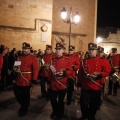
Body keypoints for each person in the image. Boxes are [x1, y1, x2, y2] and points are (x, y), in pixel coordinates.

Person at [77, 43, 111, 120]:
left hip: (96, 86)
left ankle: (91, 116)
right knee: (83, 103)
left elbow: (107, 71)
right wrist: (79, 84)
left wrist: (99, 75)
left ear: (96, 51)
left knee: (94, 104)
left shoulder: (103, 61)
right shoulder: (84, 61)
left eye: (93, 50)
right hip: (85, 85)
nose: (91, 51)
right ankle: (84, 116)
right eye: (90, 50)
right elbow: (80, 73)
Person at [14, 42, 39, 117]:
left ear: (29, 49)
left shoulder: (33, 58)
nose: (24, 50)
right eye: (23, 48)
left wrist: (34, 79)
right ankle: (23, 105)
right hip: (19, 79)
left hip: (27, 79)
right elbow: (15, 67)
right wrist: (15, 69)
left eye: (26, 49)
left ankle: (24, 109)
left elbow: (36, 69)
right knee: (17, 94)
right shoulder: (19, 57)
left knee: (25, 96)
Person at [48, 43, 72, 120]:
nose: (57, 51)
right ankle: (55, 111)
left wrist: (64, 73)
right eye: (57, 49)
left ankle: (60, 114)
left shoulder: (67, 60)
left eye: (59, 49)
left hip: (62, 83)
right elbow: (50, 71)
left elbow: (70, 70)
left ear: (63, 50)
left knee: (61, 101)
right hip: (53, 83)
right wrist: (48, 82)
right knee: (52, 99)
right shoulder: (52, 60)